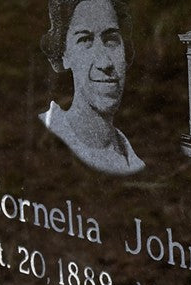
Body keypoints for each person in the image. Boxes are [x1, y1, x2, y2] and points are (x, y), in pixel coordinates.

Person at [38, 0, 144, 176]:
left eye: (111, 40)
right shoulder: (46, 143)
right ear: (64, 54)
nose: (104, 62)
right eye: (85, 40)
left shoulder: (133, 162)